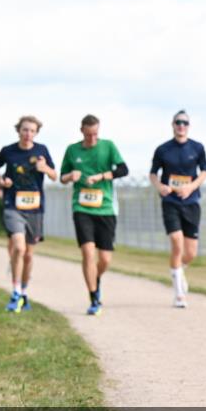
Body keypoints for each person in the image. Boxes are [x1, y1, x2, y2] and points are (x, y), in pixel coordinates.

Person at [60, 114, 129, 315]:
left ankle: (95, 277)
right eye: (89, 134)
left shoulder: (108, 146)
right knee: (88, 252)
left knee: (105, 259)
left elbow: (124, 169)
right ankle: (94, 298)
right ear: (81, 130)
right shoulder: (72, 150)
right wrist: (70, 176)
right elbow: (62, 177)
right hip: (81, 208)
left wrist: (102, 176)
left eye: (95, 134)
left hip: (106, 207)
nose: (92, 139)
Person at [0, 116, 57, 313]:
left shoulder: (42, 150)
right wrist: (0, 181)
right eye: (24, 130)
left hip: (35, 208)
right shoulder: (8, 151)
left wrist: (44, 168)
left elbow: (54, 175)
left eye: (32, 130)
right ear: (18, 131)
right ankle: (15, 292)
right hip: (13, 205)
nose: (28, 134)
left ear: (36, 133)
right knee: (19, 248)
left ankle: (23, 292)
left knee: (29, 255)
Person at [149, 109, 206, 308]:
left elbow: (205, 172)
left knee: (190, 253)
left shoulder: (197, 148)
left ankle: (178, 271)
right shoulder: (163, 149)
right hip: (171, 203)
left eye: (184, 123)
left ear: (188, 126)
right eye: (178, 122)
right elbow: (153, 174)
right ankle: (179, 294)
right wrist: (160, 187)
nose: (181, 126)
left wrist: (191, 187)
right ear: (173, 125)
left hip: (191, 203)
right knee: (176, 242)